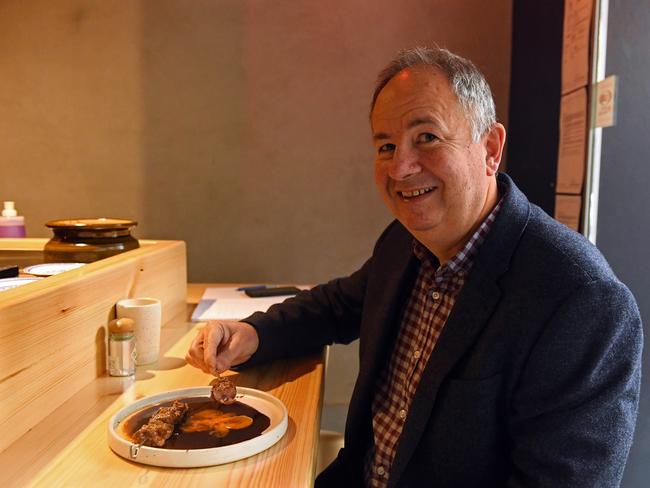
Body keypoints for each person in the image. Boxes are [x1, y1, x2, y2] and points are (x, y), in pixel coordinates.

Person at [186, 47, 642, 487]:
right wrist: (254, 334)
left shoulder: (582, 301)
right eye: (385, 145)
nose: (400, 167)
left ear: (490, 147)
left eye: (427, 137)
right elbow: (338, 304)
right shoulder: (405, 242)